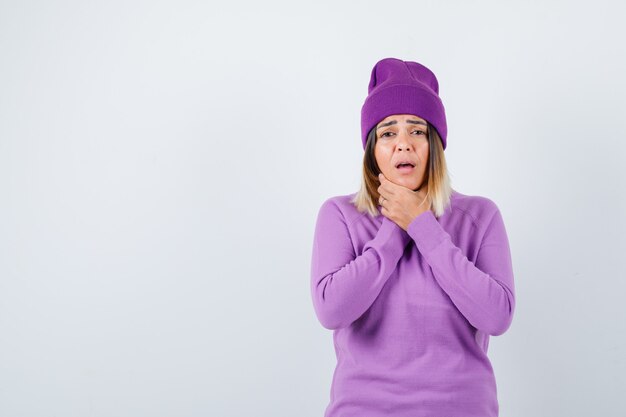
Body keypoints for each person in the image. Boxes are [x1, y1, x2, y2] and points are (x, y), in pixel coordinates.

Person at [310, 57, 516, 417]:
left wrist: (423, 224)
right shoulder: (340, 214)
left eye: (417, 131)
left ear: (434, 145)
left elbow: (497, 317)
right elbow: (331, 310)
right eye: (388, 132)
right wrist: (396, 225)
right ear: (373, 151)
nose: (403, 144)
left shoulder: (480, 216)